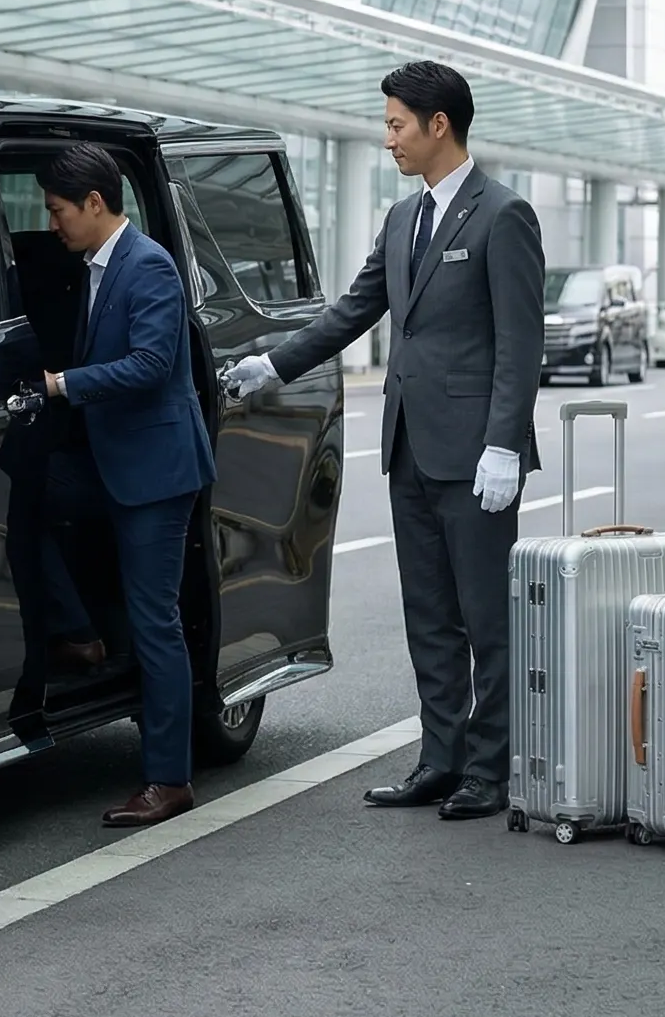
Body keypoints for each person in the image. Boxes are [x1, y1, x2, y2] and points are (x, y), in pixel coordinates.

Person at [224, 62, 544, 821]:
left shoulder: (504, 215)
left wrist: (503, 444)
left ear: (439, 125)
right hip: (409, 446)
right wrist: (274, 364)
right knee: (428, 616)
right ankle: (441, 761)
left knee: (486, 621)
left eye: (397, 124)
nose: (388, 138)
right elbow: (354, 309)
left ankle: (488, 772)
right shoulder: (403, 219)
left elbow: (519, 342)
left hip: (477, 458)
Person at [35, 144, 217, 828]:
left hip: (156, 472)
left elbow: (150, 364)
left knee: (154, 621)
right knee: (23, 498)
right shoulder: (95, 265)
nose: (52, 223)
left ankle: (169, 779)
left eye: (58, 210)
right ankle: (78, 633)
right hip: (110, 460)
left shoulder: (149, 265)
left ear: (94, 203)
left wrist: (63, 384)